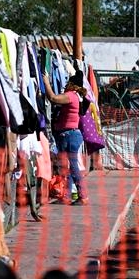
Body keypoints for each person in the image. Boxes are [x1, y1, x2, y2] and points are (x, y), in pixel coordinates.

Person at [43, 70, 88, 205]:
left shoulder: (71, 95)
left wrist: (45, 82)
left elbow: (53, 98)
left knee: (73, 167)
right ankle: (66, 196)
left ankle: (83, 196)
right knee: (67, 166)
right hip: (70, 135)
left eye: (68, 83)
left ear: (72, 85)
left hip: (68, 135)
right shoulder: (77, 97)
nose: (65, 85)